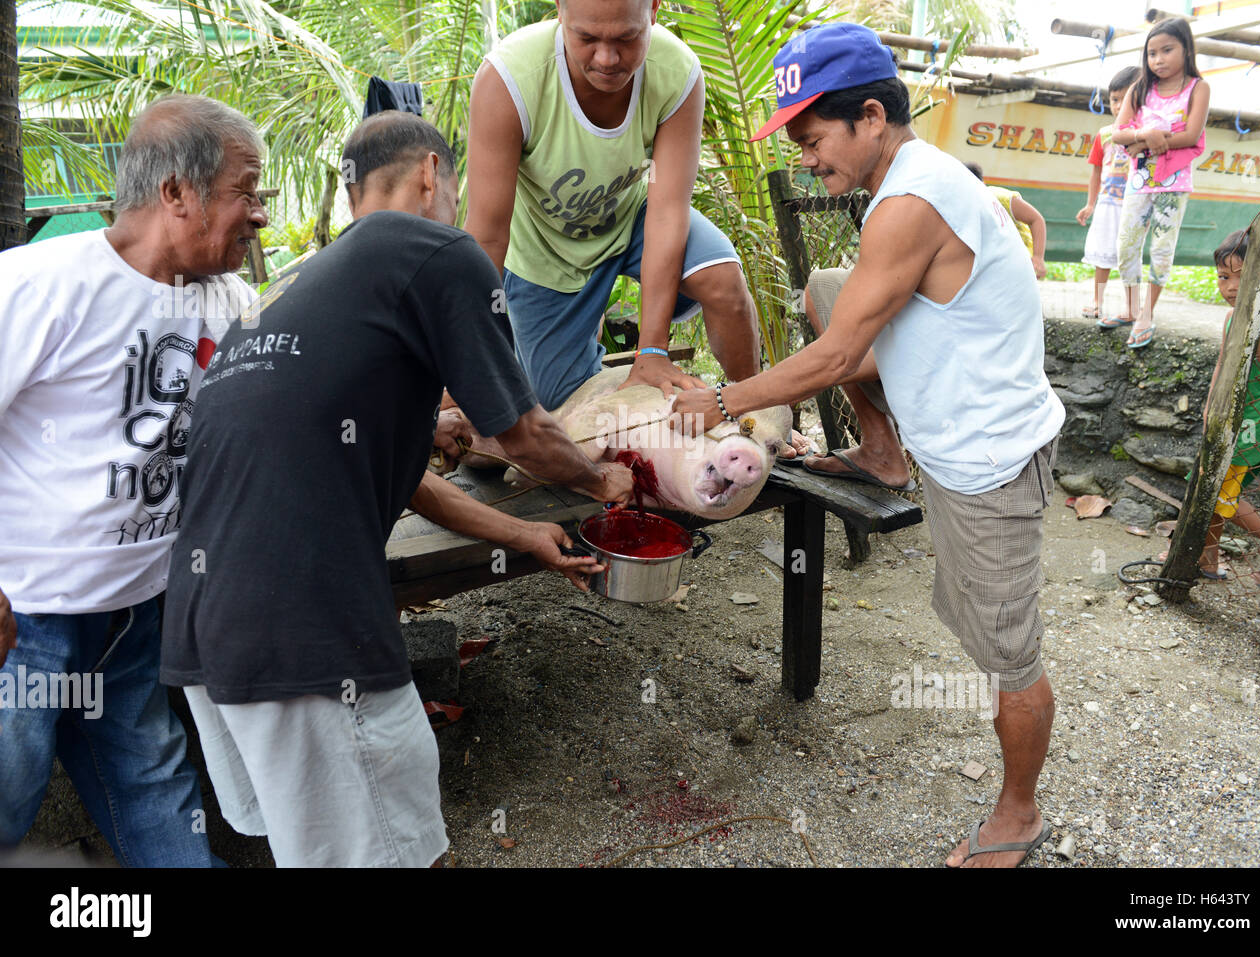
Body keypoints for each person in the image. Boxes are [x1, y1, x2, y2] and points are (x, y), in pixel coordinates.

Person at [159, 111, 634, 868]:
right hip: (305, 625)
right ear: (430, 175)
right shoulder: (436, 248)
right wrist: (607, 477)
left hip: (203, 627)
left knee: (326, 849)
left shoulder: (300, 281)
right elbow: (518, 430)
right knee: (399, 853)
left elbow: (404, 479)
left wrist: (521, 534)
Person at [672, 23, 1066, 867]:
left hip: (987, 462)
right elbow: (847, 321)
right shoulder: (913, 178)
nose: (808, 159)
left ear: (872, 116)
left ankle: (1019, 813)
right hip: (948, 429)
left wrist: (721, 399)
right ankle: (884, 450)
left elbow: (841, 355)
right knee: (825, 287)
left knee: (1009, 655)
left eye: (814, 140)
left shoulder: (912, 202)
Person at [0, 94, 267, 866]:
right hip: (25, 621)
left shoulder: (232, 302)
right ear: (176, 192)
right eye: (245, 191)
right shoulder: (42, 284)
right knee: (8, 794)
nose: (259, 215)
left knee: (152, 785)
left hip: (134, 617)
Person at [463, 0, 803, 446]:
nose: (607, 58)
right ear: (560, 11)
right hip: (545, 249)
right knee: (551, 399)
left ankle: (756, 418)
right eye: (587, 39)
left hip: (636, 216)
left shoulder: (676, 73)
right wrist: (464, 362)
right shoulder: (508, 80)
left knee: (725, 284)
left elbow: (667, 210)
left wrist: (654, 350)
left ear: (654, 13)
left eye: (626, 38)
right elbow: (487, 236)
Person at [1197, 230, 1260, 586]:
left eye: (1242, 275)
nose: (1230, 286)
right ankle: (1205, 559)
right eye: (1224, 277)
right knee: (1216, 486)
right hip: (1235, 419)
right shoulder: (1232, 318)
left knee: (1216, 488)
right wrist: (1210, 408)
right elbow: (1222, 366)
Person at [1108, 18, 1210, 349]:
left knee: (1161, 250)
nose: (1159, 59)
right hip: (1138, 182)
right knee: (1126, 246)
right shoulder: (1140, 89)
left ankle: (1146, 315)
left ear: (1187, 49)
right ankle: (1130, 306)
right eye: (1152, 53)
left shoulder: (1198, 88)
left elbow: (1192, 135)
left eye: (1167, 50)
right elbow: (1118, 133)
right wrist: (1142, 135)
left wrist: (1140, 145)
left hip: (1173, 184)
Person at [1078, 65, 1142, 324]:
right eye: (1114, 100)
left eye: (1124, 99)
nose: (1118, 106)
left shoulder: (1143, 133)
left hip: (1134, 202)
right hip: (1107, 201)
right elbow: (1095, 172)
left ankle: (1132, 305)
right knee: (1102, 254)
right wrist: (1090, 203)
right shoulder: (1104, 135)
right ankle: (1097, 301)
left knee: (1130, 255)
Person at [963, 162, 1046, 279]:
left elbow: (1036, 219)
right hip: (992, 263)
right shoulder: (964, 206)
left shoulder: (1001, 198)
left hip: (1018, 262)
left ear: (982, 184)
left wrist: (1038, 257)